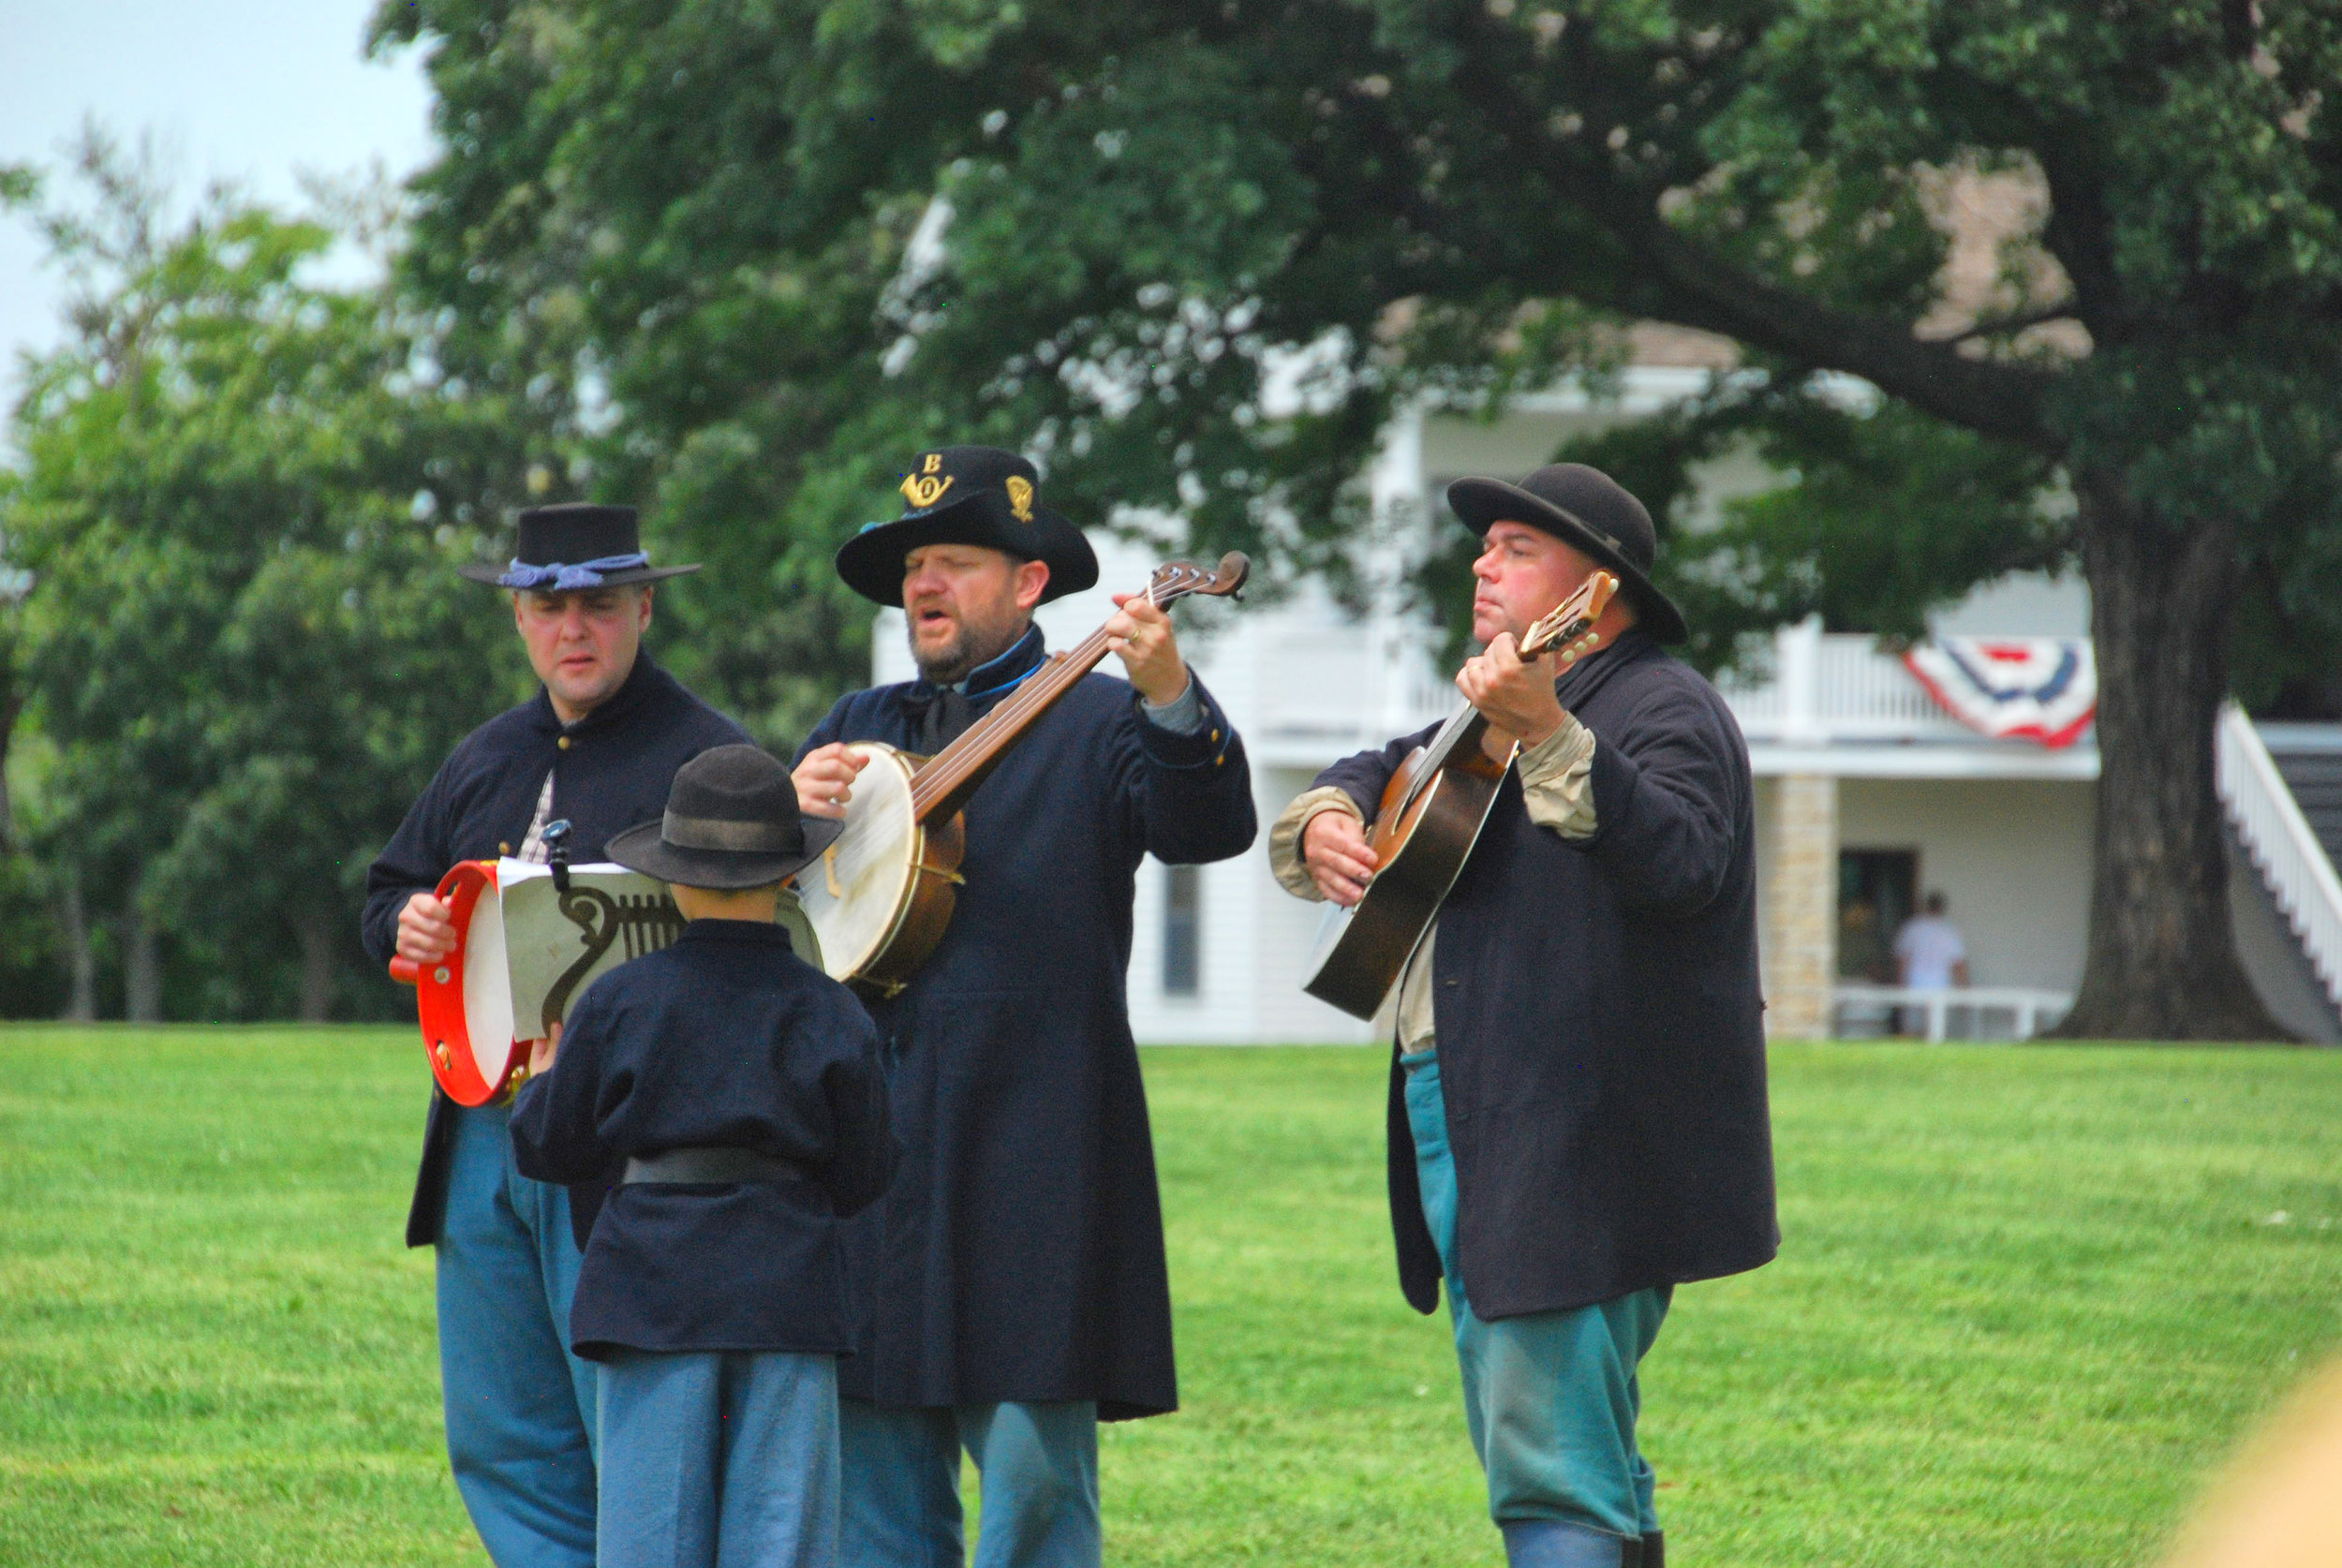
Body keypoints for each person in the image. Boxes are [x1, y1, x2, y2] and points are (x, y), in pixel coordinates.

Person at [1272, 463, 1778, 1568]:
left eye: (1512, 546)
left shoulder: (1661, 705)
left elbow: (1685, 860)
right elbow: (1384, 765)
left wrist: (1548, 731)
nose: (1480, 564)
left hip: (1571, 1133)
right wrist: (1326, 816)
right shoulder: (1489, 715)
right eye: (1485, 545)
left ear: (1593, 593)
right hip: (1482, 1111)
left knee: (1547, 1455)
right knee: (1576, 1446)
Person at [790, 446, 1257, 1568]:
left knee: (1034, 1492)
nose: (924, 586)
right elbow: (796, 918)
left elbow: (1211, 829)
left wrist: (1169, 697)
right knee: (873, 1495)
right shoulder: (859, 720)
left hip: (1035, 1149)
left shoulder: (1104, 720)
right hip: (873, 1151)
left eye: (954, 561)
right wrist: (786, 813)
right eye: (912, 568)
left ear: (1031, 584)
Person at [361, 504, 747, 1568]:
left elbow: (764, 944)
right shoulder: (485, 755)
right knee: (501, 1437)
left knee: (631, 1427)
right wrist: (407, 922)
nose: (573, 628)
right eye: (548, 606)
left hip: (631, 1150)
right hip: (480, 1132)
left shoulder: (713, 759)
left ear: (645, 609)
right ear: (521, 620)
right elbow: (388, 888)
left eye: (600, 605)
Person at [510, 743, 897, 1568]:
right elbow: (867, 1173)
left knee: (653, 1541)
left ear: (674, 877)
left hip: (652, 1295)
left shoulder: (616, 1000)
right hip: (789, 1295)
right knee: (780, 1542)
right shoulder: (833, 1012)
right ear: (788, 876)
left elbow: (548, 1145)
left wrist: (541, 1083)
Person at [1894, 891, 1970, 989]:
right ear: (1942, 908)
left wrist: (1900, 985)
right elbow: (1959, 963)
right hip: (1940, 984)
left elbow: (1902, 959)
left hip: (1916, 982)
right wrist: (1966, 989)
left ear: (1926, 906)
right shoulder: (1949, 931)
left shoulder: (1912, 927)